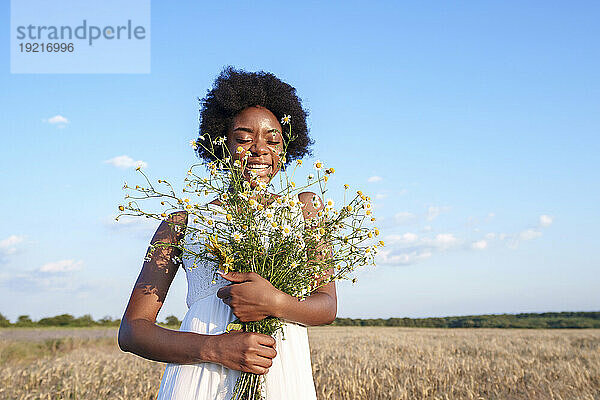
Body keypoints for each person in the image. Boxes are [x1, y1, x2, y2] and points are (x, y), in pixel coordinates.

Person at [118, 66, 337, 399]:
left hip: (278, 371)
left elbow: (326, 307)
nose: (260, 148)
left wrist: (274, 301)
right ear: (221, 145)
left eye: (272, 139)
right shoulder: (182, 223)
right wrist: (215, 348)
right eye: (244, 138)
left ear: (288, 147)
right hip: (199, 377)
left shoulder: (306, 210)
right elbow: (133, 332)